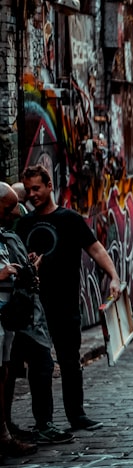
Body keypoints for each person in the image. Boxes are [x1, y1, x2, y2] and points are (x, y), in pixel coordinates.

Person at [18, 164, 121, 432]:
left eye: (37, 188)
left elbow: (96, 249)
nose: (32, 194)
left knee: (70, 360)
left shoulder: (70, 219)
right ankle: (44, 422)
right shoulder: (24, 223)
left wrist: (114, 277)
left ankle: (77, 415)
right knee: (39, 366)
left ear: (50, 185)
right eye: (28, 190)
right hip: (34, 305)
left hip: (65, 301)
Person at [0, 182, 53, 453]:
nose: (15, 213)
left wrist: (28, 270)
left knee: (5, 372)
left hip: (10, 317)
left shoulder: (5, 235)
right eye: (9, 208)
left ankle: (5, 430)